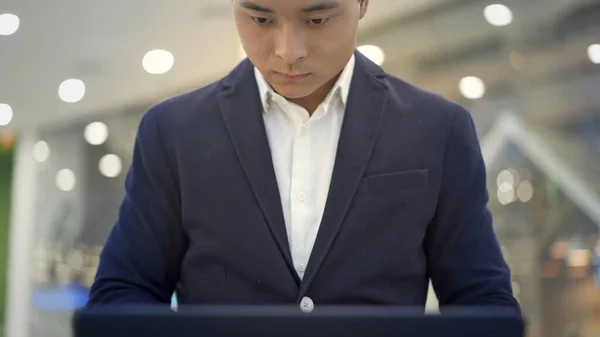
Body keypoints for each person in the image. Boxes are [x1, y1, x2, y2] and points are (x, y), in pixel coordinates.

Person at [88, 0, 521, 313]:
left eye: (317, 18)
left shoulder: (437, 129)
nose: (287, 50)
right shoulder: (173, 131)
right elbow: (123, 294)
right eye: (260, 18)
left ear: (363, 4)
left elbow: (481, 302)